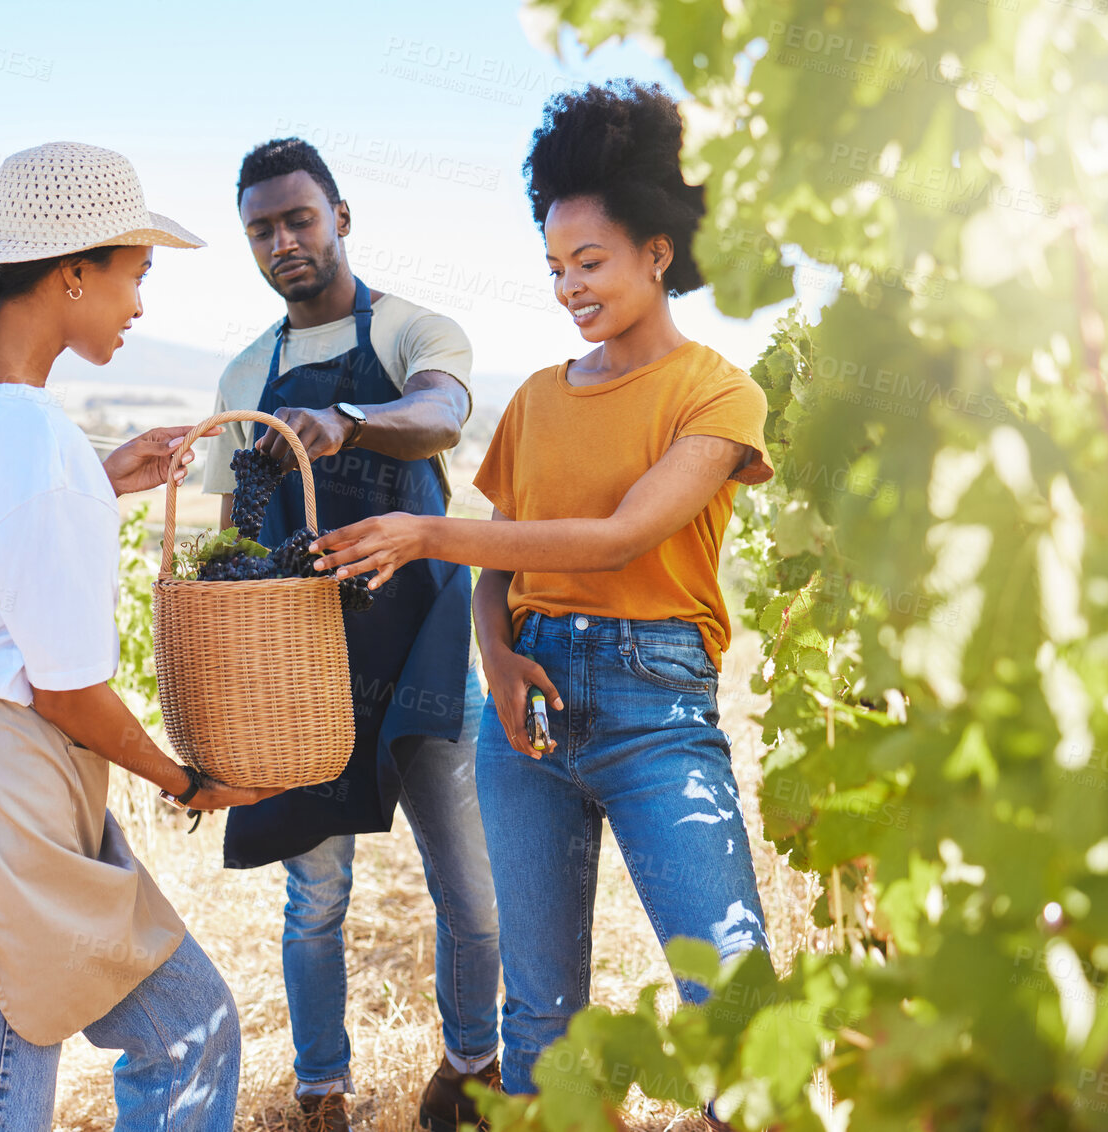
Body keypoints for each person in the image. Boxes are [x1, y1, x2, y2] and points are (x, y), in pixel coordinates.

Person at [309, 81, 775, 1104]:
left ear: (657, 251)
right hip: (526, 718)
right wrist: (495, 651)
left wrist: (427, 526)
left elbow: (616, 538)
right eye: (555, 267)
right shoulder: (534, 397)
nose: (568, 286)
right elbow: (502, 561)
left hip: (656, 707)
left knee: (734, 1015)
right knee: (539, 1022)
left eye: (590, 262)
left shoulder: (717, 392)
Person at [0, 141, 276, 1131]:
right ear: (74, 271)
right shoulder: (31, 440)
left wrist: (101, 478)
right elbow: (67, 690)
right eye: (136, 275)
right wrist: (187, 781)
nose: (138, 304)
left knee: (183, 1030)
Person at [199, 137, 501, 1132]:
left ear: (339, 217)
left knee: (471, 891)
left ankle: (467, 1066)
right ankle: (321, 1089)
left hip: (422, 649)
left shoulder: (417, 328)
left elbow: (440, 414)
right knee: (314, 900)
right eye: (260, 230)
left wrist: (350, 421)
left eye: (298, 219)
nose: (282, 241)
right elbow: (235, 542)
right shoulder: (247, 373)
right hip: (305, 674)